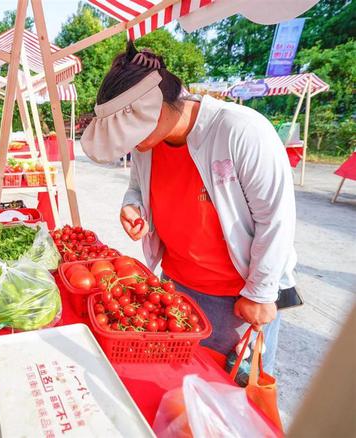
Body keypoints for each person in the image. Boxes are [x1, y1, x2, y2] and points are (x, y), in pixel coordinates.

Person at [81, 46, 297, 374]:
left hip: (236, 298)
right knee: (181, 387)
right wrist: (132, 207)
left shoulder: (240, 130)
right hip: (174, 285)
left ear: (158, 106)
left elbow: (276, 218)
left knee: (232, 396)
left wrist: (260, 293)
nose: (133, 145)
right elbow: (137, 188)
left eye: (135, 133)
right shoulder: (146, 146)